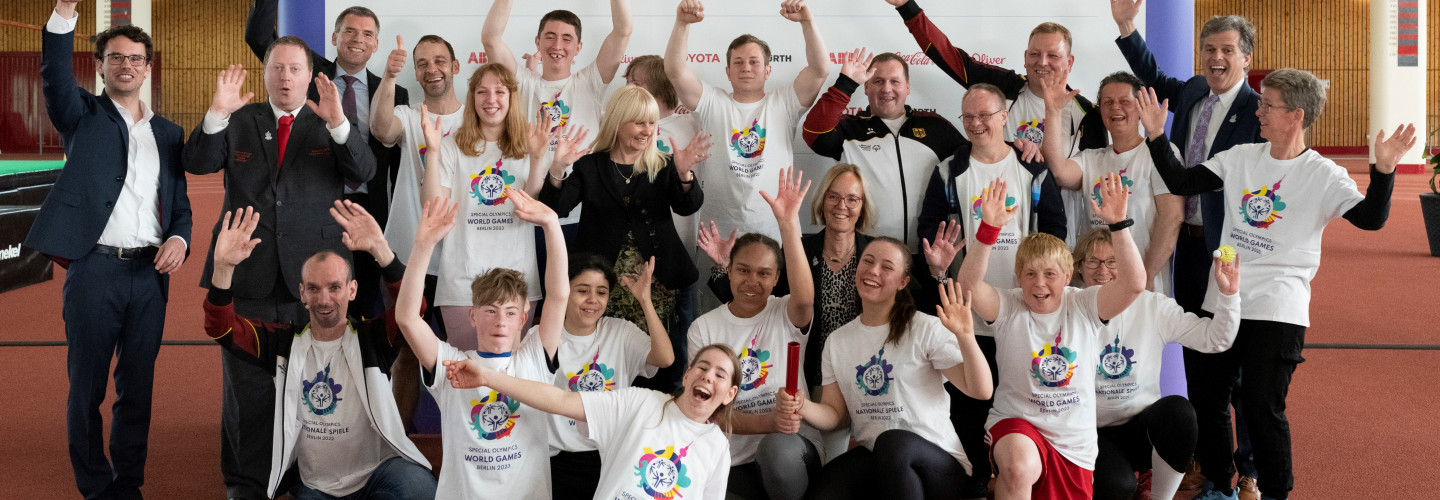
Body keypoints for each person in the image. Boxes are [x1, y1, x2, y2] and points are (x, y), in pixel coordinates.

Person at [1140, 69, 1417, 500]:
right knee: (1209, 400)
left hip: (1278, 306)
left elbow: (1372, 219)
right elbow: (1182, 182)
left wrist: (1383, 169)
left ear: (1296, 116)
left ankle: (1274, 493)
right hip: (1226, 298)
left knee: (1262, 407)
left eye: (1268, 105)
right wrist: (1157, 136)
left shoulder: (1323, 174)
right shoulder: (1240, 157)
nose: (1259, 110)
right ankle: (1218, 483)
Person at [187, 35, 374, 500]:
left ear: (310, 76)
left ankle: (303, 477)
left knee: (314, 387)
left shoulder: (329, 120)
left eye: (295, 69)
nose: (286, 77)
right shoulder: (240, 119)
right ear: (265, 73)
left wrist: (339, 126)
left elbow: (363, 171)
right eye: (277, 68)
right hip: (246, 272)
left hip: (315, 282)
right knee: (247, 391)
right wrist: (216, 114)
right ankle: (246, 484)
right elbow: (198, 161)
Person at [29, 1, 192, 497]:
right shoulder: (81, 113)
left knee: (136, 391)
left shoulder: (167, 134)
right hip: (94, 272)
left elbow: (179, 205)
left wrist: (180, 240)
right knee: (88, 390)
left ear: (147, 67)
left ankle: (128, 483)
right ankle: (96, 487)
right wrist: (62, 16)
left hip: (149, 279)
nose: (126, 65)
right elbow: (55, 73)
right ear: (100, 66)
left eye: (136, 58)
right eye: (116, 57)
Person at [1109, 3, 1267, 494]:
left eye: (1227, 51)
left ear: (1246, 57)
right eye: (1208, 49)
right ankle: (1219, 474)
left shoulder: (1261, 113)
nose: (1215, 59)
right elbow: (1152, 75)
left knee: (1245, 377)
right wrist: (1126, 26)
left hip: (1236, 255)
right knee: (1204, 371)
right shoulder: (1195, 90)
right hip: (1193, 250)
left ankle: (1252, 471)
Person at [202, 202, 436, 499]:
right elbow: (221, 328)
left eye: (334, 287)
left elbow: (414, 309)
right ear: (302, 294)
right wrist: (222, 267)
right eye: (313, 288)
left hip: (378, 474)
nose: (324, 299)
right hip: (316, 486)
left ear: (352, 290)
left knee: (419, 488)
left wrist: (381, 250)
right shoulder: (282, 344)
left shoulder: (371, 338)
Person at [914, 83, 1066, 495]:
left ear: (1004, 117)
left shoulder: (1032, 169)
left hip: (1023, 311)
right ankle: (978, 479)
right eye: (968, 117)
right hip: (969, 310)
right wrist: (936, 261)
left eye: (985, 116)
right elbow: (929, 231)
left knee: (1024, 395)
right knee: (972, 402)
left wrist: (1042, 280)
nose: (977, 124)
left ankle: (1021, 475)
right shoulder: (949, 171)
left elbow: (1056, 229)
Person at [958, 175, 1145, 499]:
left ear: (1068, 276)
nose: (1039, 283)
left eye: (1049, 274)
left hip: (1074, 441)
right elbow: (969, 286)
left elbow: (1133, 284)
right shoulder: (1010, 306)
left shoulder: (1084, 303)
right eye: (1030, 273)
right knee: (1018, 468)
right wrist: (988, 229)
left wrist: (1118, 224)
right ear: (1019, 277)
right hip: (1016, 422)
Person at [886, 0, 1106, 247]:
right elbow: (949, 56)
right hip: (984, 232)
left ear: (1070, 61)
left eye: (1053, 55)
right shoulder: (1003, 87)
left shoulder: (1089, 115)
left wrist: (1039, 156)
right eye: (1035, 54)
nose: (1042, 62)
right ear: (1025, 57)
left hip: (1060, 243)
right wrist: (907, 7)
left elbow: (1085, 182)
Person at [783, 240, 992, 499]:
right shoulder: (837, 341)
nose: (873, 270)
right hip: (877, 455)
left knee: (893, 443)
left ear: (903, 282)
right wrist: (802, 405)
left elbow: (981, 390)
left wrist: (967, 336)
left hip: (937, 465)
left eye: (887, 267)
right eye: (868, 261)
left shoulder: (925, 328)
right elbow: (835, 414)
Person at [393, 189, 567, 499]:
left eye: (510, 312)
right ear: (473, 315)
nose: (501, 321)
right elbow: (407, 317)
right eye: (490, 310)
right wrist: (422, 247)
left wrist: (552, 226)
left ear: (524, 317)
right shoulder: (450, 363)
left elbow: (558, 296)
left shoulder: (534, 358)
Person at [539, 85, 709, 392]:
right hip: (604, 290)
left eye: (651, 123)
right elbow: (554, 208)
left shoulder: (665, 163)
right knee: (611, 369)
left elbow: (688, 206)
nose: (647, 131)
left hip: (658, 287)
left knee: (664, 369)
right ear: (618, 122)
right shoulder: (590, 165)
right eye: (639, 122)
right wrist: (558, 168)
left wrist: (684, 175)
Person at [246, 0, 408, 321]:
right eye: (348, 31)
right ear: (334, 38)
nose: (357, 39)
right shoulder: (307, 74)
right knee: (311, 304)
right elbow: (259, 37)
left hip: (369, 213)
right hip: (312, 210)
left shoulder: (394, 92)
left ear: (376, 43)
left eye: (366, 34)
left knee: (361, 306)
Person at [665, 0, 831, 292]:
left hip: (772, 230)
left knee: (771, 316)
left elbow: (819, 70)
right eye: (738, 62)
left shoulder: (783, 103)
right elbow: (676, 71)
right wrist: (681, 24)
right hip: (717, 235)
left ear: (768, 70)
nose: (746, 68)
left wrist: (807, 22)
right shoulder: (713, 102)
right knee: (719, 317)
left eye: (754, 62)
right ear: (727, 72)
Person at [440, 344, 743, 500]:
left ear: (729, 394)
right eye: (702, 367)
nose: (707, 376)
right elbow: (560, 401)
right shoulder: (640, 402)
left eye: (719, 374)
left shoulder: (716, 446)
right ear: (688, 374)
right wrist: (488, 377)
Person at [1069, 228, 1240, 500]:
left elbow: (1215, 340)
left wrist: (1228, 296)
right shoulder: (1069, 304)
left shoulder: (1154, 307)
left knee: (1180, 413)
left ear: (1128, 265)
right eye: (1092, 261)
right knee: (1119, 488)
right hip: (1090, 431)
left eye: (1112, 261)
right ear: (1079, 268)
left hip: (1142, 429)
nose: (1103, 270)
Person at [687, 167, 816, 499]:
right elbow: (712, 410)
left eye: (764, 274)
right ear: (728, 271)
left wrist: (788, 224)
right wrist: (769, 420)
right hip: (733, 458)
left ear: (776, 280)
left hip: (792, 449)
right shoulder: (704, 328)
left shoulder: (785, 312)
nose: (751, 281)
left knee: (776, 451)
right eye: (742, 270)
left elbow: (805, 299)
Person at [700, 164, 876, 399]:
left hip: (866, 371)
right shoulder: (799, 249)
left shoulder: (875, 253)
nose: (841, 205)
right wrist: (724, 267)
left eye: (852, 199)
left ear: (863, 206)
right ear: (822, 201)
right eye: (833, 196)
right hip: (813, 375)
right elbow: (759, 303)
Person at [417, 62, 559, 350]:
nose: (491, 100)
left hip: (519, 283)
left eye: (499, 92)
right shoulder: (450, 146)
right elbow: (434, 207)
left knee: (511, 381)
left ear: (511, 97)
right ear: (472, 99)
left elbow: (529, 206)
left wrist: (536, 159)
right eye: (482, 92)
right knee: (469, 382)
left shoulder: (528, 144)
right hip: (461, 285)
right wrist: (432, 153)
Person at [369, 33, 464, 429]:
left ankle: (466, 449)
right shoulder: (409, 116)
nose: (431, 69)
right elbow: (380, 130)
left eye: (439, 61)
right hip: (410, 257)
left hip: (462, 258)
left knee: (464, 357)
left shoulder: (477, 118)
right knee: (407, 352)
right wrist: (389, 78)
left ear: (456, 67)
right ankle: (399, 446)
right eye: (422, 63)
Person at [482, 0, 634, 231]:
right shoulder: (521, 82)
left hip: (582, 214)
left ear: (579, 47)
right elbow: (491, 39)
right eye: (550, 36)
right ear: (538, 42)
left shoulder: (590, 81)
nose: (557, 45)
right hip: (528, 211)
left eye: (567, 38)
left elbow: (623, 31)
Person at [802, 48, 967, 255]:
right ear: (866, 87)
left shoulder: (935, 127)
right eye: (878, 81)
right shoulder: (848, 129)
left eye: (894, 81)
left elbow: (978, 156)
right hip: (865, 256)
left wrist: (1014, 146)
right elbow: (812, 132)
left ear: (907, 87)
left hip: (927, 257)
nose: (886, 89)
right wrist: (846, 84)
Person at [539, 253, 676, 499]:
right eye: (583, 290)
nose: (593, 300)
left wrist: (645, 300)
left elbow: (665, 358)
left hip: (610, 455)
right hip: (557, 458)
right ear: (565, 291)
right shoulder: (543, 336)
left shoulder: (619, 331)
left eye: (601, 292)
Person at [1038, 72, 1183, 292]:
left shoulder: (1161, 153)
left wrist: (1146, 274)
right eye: (1107, 102)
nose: (1115, 107)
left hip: (1143, 284)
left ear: (1141, 107)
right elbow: (1058, 172)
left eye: (1124, 101)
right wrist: (1054, 111)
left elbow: (1172, 217)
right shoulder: (1091, 158)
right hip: (1095, 286)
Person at [623, 53, 707, 383]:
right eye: (626, 82)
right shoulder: (619, 130)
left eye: (636, 83)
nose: (628, 88)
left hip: (677, 263)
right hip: (629, 265)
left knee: (678, 357)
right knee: (634, 358)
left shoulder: (690, 126)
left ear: (660, 86)